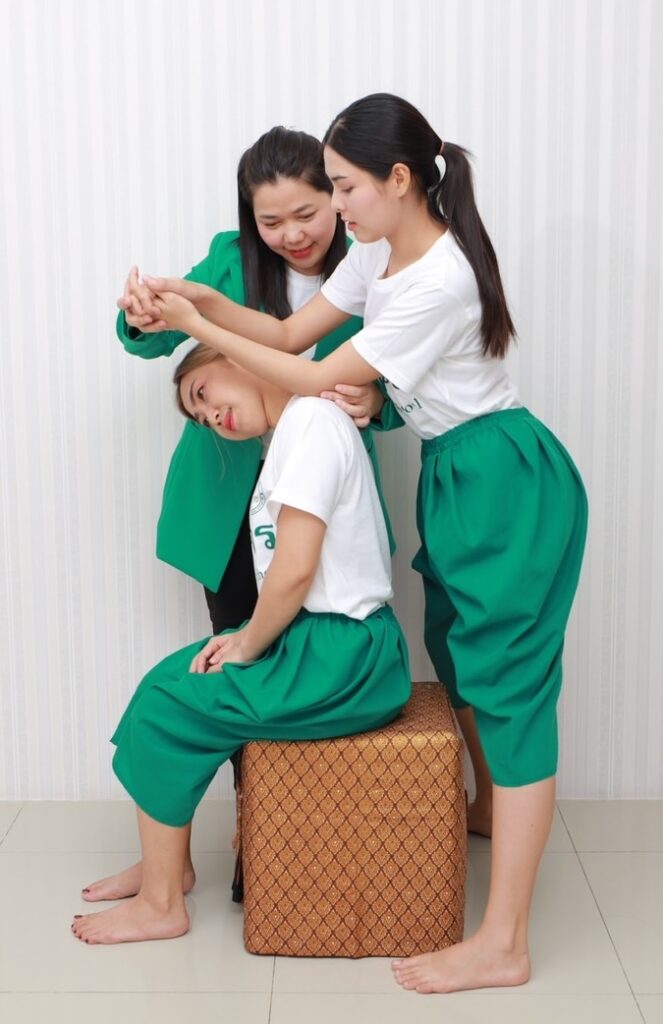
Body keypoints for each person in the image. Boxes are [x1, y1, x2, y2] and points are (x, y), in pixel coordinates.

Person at [142, 93, 588, 994]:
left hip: (499, 476)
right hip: (454, 473)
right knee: (458, 658)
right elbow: (286, 332)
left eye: (342, 187)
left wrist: (197, 331)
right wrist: (200, 298)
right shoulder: (381, 254)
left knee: (510, 695)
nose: (333, 207)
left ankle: (503, 941)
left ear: (398, 179)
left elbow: (305, 375)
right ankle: (486, 814)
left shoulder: (438, 280)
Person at [71, 344, 411, 945]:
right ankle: (169, 866)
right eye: (201, 419)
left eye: (203, 394)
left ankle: (160, 906)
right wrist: (243, 638)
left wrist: (249, 644)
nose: (211, 417)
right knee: (164, 681)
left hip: (347, 655)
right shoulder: (289, 434)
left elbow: (296, 570)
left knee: (168, 711)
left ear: (233, 357)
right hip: (318, 640)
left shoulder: (310, 423)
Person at [115, 125, 397, 636]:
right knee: (236, 644)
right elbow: (157, 337)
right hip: (229, 490)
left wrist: (378, 402)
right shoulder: (229, 260)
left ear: (336, 198)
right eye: (271, 222)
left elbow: (406, 377)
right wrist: (141, 316)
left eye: (306, 215)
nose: (292, 235)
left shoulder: (371, 268)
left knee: (321, 636)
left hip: (322, 481)